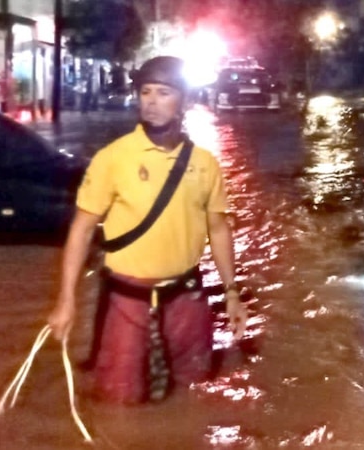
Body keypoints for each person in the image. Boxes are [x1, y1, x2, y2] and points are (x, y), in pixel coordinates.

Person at [47, 56, 248, 404]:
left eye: (164, 93)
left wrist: (232, 293)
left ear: (183, 100)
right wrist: (66, 301)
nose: (152, 102)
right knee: (118, 400)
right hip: (128, 301)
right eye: (145, 92)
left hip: (186, 298)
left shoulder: (204, 164)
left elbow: (218, 230)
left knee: (195, 394)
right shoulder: (113, 158)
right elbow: (81, 230)